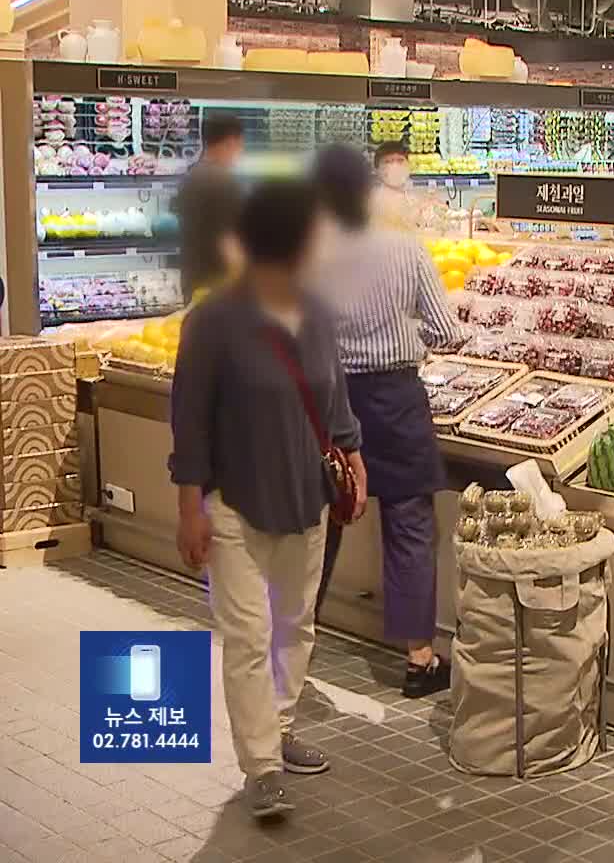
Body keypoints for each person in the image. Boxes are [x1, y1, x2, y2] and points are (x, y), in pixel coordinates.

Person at [169, 180, 365, 822]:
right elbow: (190, 419)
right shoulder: (214, 319)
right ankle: (261, 766)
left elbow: (333, 395)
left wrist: (352, 454)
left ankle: (277, 728)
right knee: (249, 636)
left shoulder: (315, 311)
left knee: (295, 626)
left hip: (305, 495)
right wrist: (189, 505)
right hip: (235, 503)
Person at [308, 145, 465, 698]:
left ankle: (296, 640)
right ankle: (419, 658)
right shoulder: (408, 250)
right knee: (409, 525)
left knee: (321, 523)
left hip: (330, 399)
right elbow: (447, 330)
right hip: (396, 398)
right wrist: (413, 335)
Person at [173, 114, 247, 295]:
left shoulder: (191, 177)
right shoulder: (224, 182)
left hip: (193, 281)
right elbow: (229, 241)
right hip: (219, 286)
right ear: (232, 141)